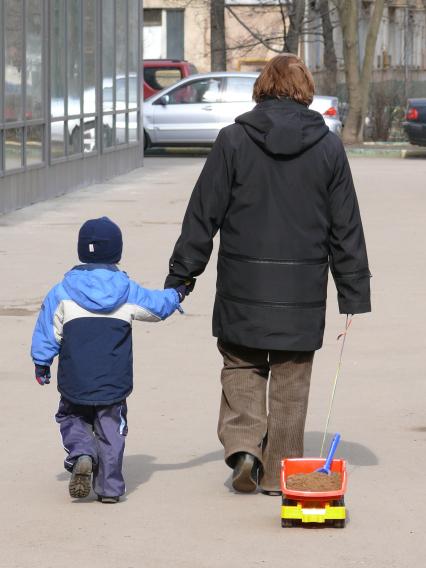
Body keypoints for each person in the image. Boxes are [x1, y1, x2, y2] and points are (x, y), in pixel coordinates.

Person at [164, 54, 371, 495]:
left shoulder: (233, 140)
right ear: (306, 91)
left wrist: (182, 277)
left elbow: (203, 214)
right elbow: (345, 226)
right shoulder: (329, 147)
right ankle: (282, 468)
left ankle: (244, 449)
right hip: (301, 293)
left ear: (260, 89)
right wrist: (353, 294)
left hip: (243, 285)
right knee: (292, 377)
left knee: (241, 364)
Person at [31, 217, 185, 503]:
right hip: (114, 381)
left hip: (75, 379)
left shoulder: (62, 292)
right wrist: (177, 294)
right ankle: (110, 489)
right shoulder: (126, 290)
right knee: (111, 430)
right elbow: (157, 306)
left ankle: (81, 453)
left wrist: (42, 362)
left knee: (70, 415)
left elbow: (46, 331)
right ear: (117, 252)